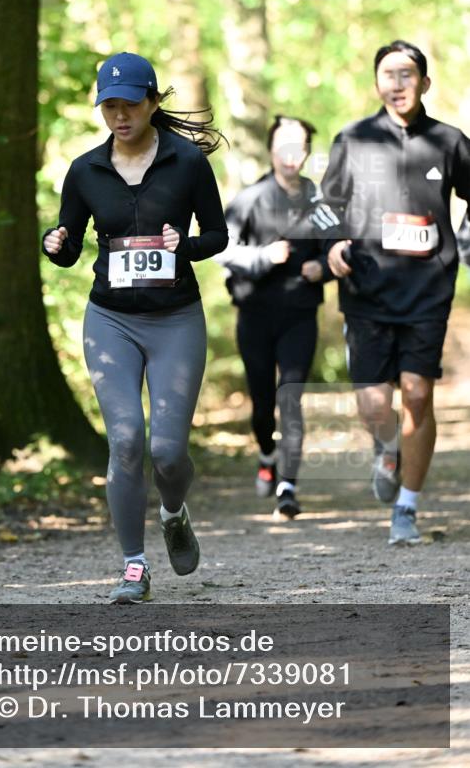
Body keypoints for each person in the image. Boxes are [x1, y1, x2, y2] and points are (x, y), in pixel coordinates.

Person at [42, 52, 228, 603]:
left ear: (151, 102)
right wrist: (56, 243)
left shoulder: (188, 163)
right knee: (126, 441)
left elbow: (216, 236)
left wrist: (183, 247)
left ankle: (173, 512)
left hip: (175, 321)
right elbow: (70, 246)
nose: (119, 116)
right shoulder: (85, 170)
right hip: (111, 322)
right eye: (109, 106)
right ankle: (133, 565)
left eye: (129, 104)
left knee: (168, 453)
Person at [314, 40, 470, 545]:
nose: (398, 83)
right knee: (374, 406)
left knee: (419, 396)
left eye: (408, 74)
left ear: (425, 83)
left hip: (429, 288)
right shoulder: (354, 139)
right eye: (388, 74)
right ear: (377, 82)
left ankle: (406, 507)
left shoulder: (449, 141)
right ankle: (387, 450)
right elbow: (325, 207)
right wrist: (331, 245)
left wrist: (464, 246)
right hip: (366, 289)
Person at [215, 116, 333, 519]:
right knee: (263, 403)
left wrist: (324, 267)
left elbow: (338, 250)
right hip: (255, 315)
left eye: (299, 146)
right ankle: (267, 454)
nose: (290, 154)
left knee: (292, 397)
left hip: (300, 314)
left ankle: (288, 487)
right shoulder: (250, 198)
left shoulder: (320, 202)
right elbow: (223, 250)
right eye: (283, 144)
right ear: (270, 149)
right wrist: (264, 257)